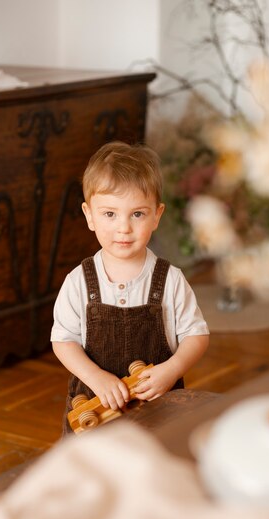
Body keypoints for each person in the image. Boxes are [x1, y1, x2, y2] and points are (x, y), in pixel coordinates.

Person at [51, 141, 209, 433]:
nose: (124, 227)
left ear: (156, 215)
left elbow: (196, 335)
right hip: (94, 409)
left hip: (158, 409)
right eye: (110, 214)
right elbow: (63, 340)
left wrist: (172, 371)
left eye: (137, 214)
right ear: (89, 216)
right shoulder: (79, 282)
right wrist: (96, 377)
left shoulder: (170, 280)